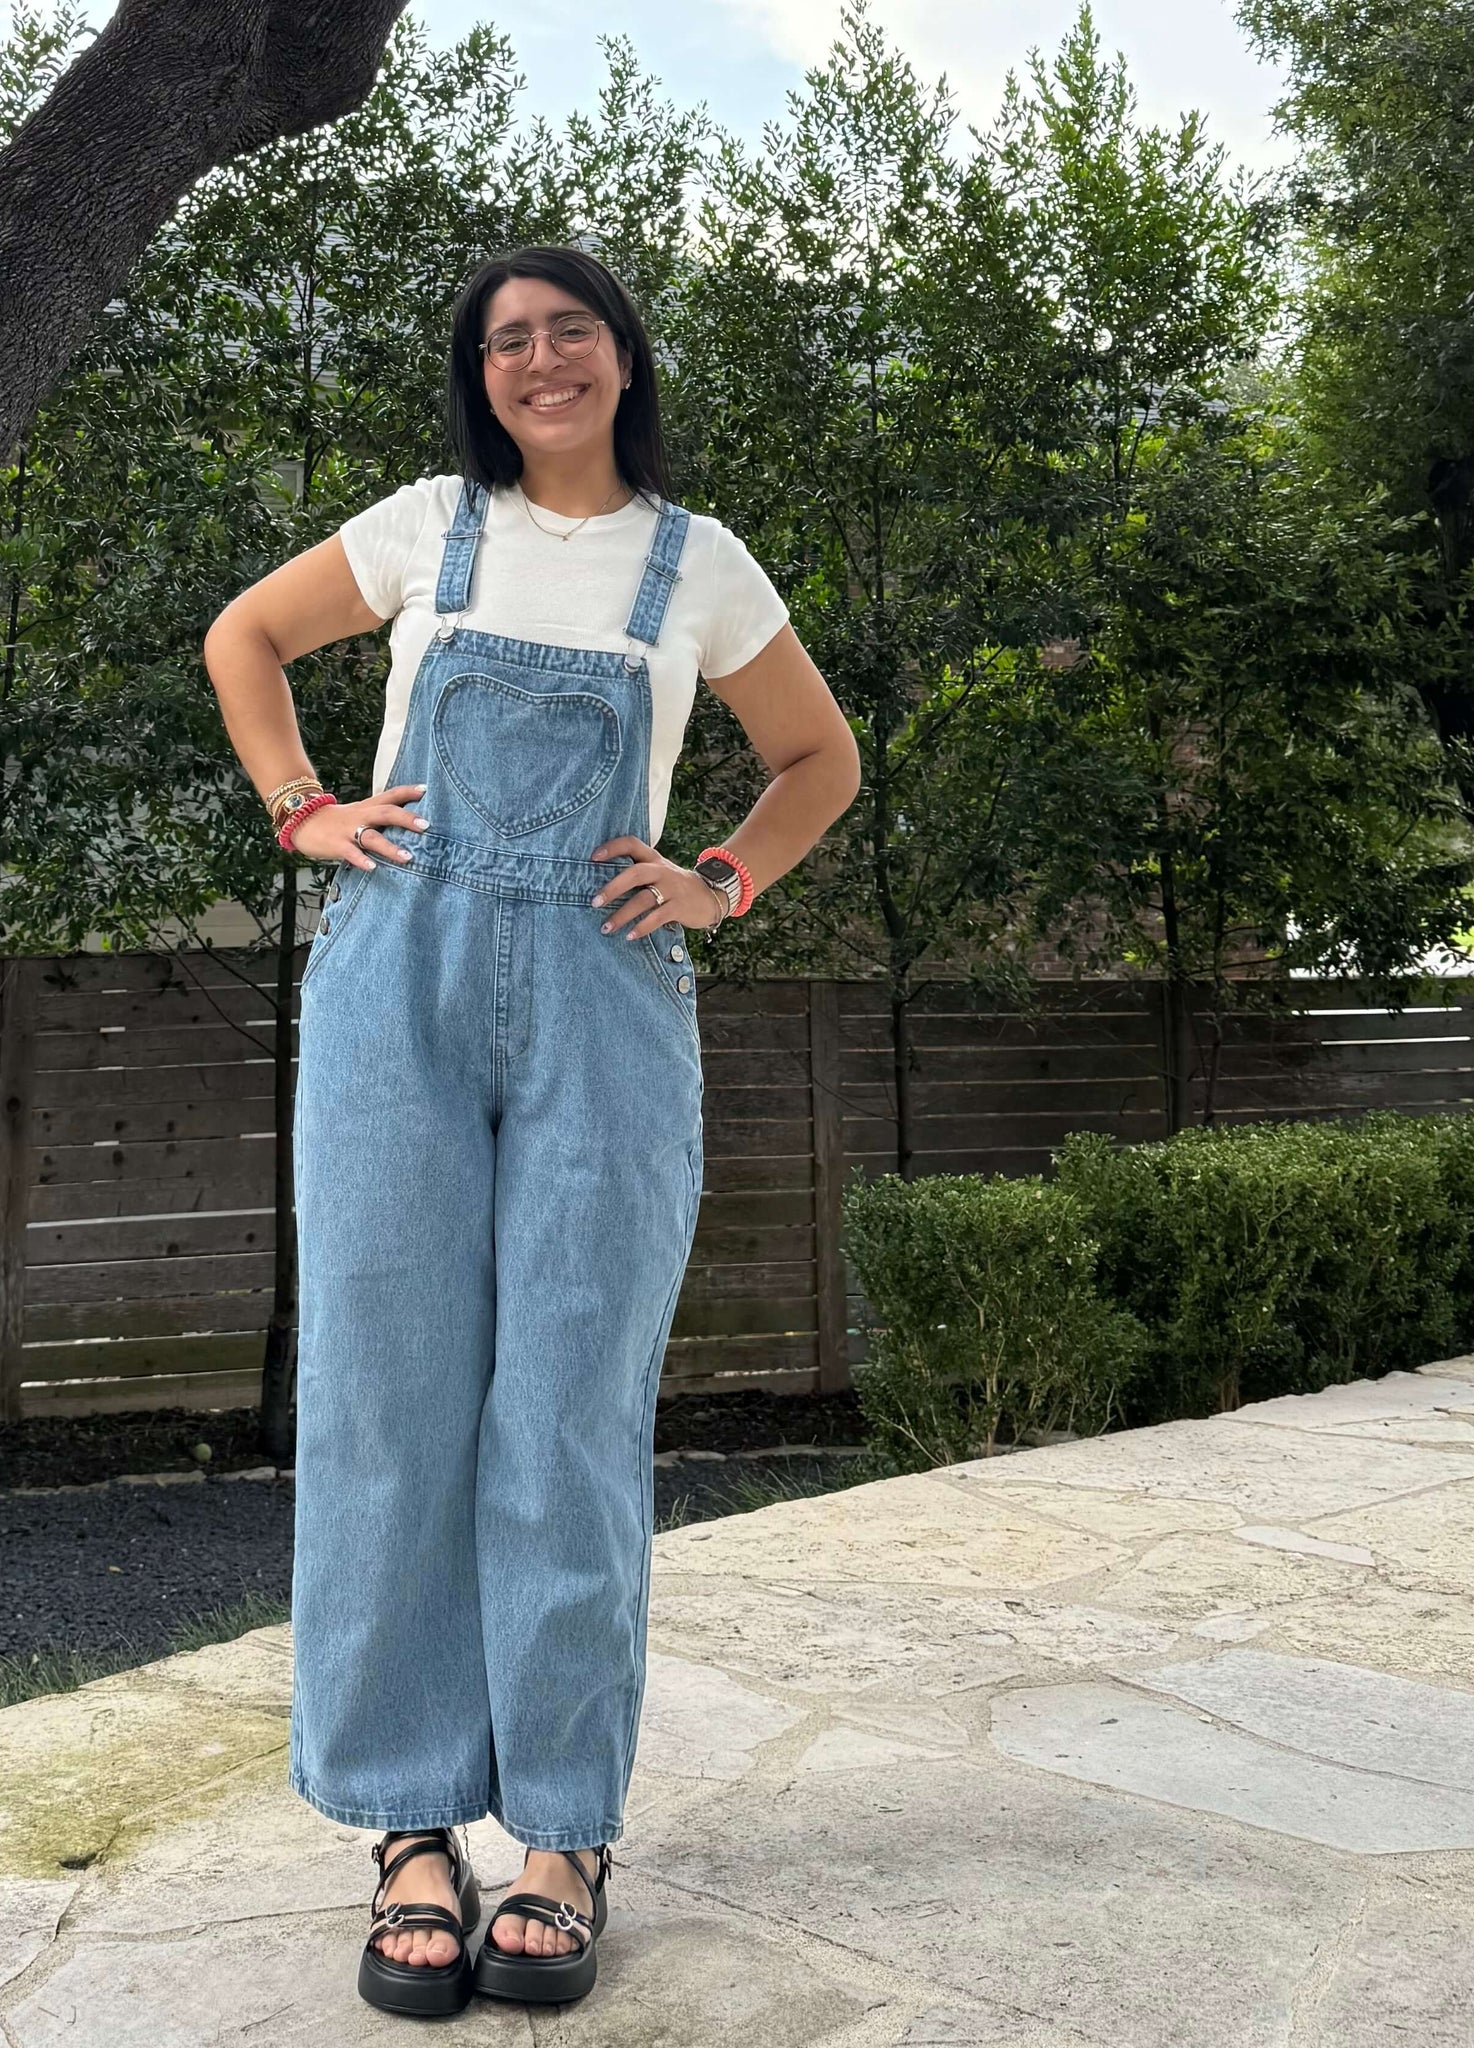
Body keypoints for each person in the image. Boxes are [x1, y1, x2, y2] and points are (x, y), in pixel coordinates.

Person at [203, 245, 860, 2016]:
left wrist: (720, 878)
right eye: (508, 340)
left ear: (623, 357)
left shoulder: (697, 563)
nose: (541, 360)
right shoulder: (428, 529)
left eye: (571, 330)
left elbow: (819, 760)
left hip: (605, 1006)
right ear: (479, 375)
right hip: (392, 997)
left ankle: (563, 1835)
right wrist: (302, 807)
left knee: (567, 1410)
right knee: (386, 1401)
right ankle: (409, 1827)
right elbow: (243, 638)